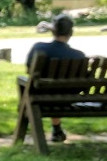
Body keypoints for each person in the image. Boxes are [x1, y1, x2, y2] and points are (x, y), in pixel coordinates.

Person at [27, 14, 86, 143]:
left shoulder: (39, 48)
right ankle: (56, 129)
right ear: (71, 32)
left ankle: (55, 129)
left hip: (41, 97)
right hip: (67, 98)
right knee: (59, 90)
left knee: (47, 87)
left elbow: (28, 70)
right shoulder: (79, 56)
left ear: (53, 31)